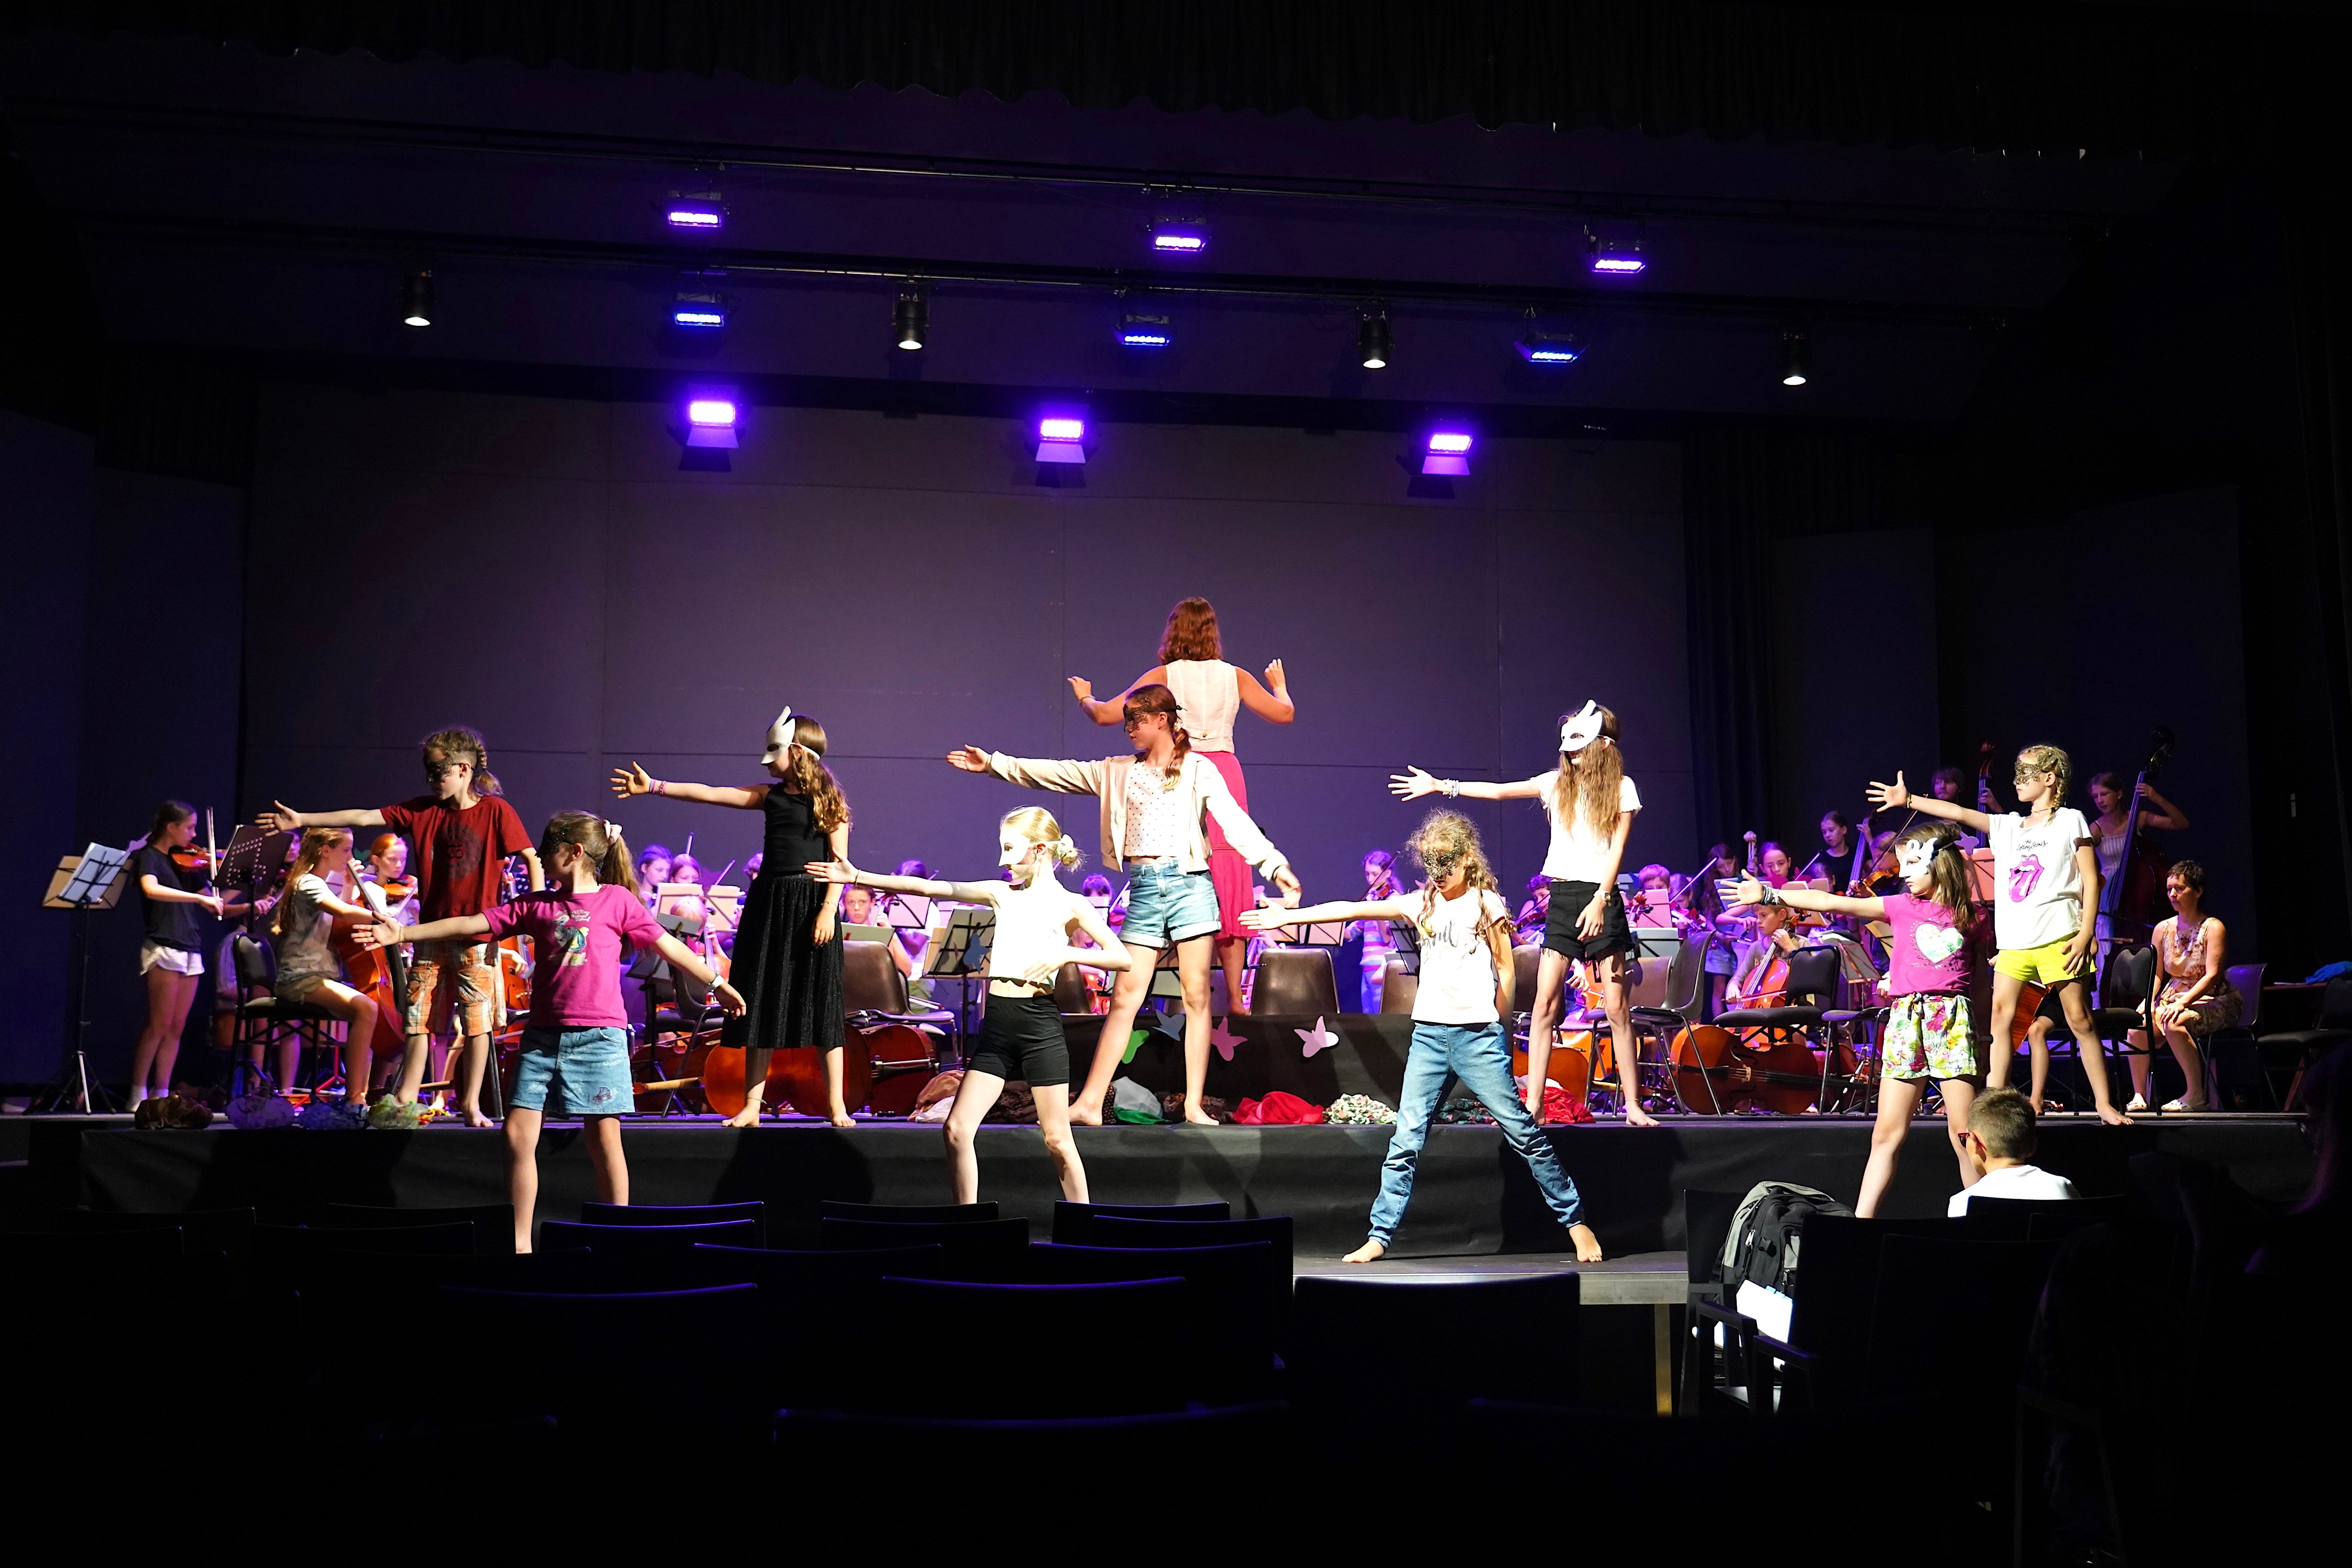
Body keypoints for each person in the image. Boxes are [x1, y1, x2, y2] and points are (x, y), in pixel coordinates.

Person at [359, 813, 742, 1251]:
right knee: (516, 1134)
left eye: (548, 847)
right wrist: (403, 931)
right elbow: (471, 923)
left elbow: (668, 945)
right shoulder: (536, 904)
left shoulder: (617, 900)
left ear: (575, 852)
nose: (539, 855)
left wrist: (717, 982)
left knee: (604, 1138)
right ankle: (520, 1245)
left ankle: (617, 1239)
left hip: (600, 1038)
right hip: (542, 1038)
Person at [1245, 810, 1604, 1263]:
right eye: (1431, 864)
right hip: (1430, 1038)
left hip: (1477, 1037)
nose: (1438, 873)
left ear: (1467, 858)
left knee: (1521, 1131)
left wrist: (1498, 1028)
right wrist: (1292, 915)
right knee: (1406, 1139)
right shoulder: (1422, 903)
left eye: (1446, 863)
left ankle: (1576, 1223)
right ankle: (1379, 1236)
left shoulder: (1486, 903)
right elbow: (1350, 908)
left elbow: (1506, 969)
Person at [949, 682, 1301, 1126]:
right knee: (1124, 997)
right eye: (1128, 719)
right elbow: (1058, 773)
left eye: (1138, 719)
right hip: (1146, 889)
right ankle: (1090, 1102)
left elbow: (1234, 820)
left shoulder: (1198, 769)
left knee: (1196, 996)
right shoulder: (1118, 771)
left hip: (1190, 886)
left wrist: (1274, 865)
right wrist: (994, 764)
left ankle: (1193, 1104)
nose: (1130, 727)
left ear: (1163, 720)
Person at [807, 807, 1131, 1203]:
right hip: (998, 1025)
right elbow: (930, 889)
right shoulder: (1001, 894)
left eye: (1010, 848)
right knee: (957, 1130)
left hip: (1039, 1027)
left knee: (1057, 1139)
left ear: (1039, 849)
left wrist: (1065, 954)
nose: (1002, 859)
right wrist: (858, 876)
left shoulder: (1072, 905)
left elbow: (1121, 958)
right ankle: (970, 1220)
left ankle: (1083, 1224)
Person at [1391, 700, 1657, 1126]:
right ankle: (1533, 1103)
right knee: (1544, 1004)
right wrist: (1441, 785)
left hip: (1601, 898)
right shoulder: (1556, 784)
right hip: (1564, 897)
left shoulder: (1622, 787)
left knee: (1616, 1008)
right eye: (1569, 747)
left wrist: (1601, 899)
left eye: (1581, 746)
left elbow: (1617, 849)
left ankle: (1634, 1106)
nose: (1572, 754)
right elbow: (1499, 791)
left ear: (1603, 746)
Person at [259, 726, 539, 1126]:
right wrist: (303, 819)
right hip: (430, 933)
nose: (432, 780)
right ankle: (406, 1097)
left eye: (440, 772)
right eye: (429, 772)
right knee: (419, 1019)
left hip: (477, 935)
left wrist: (534, 910)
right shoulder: (423, 810)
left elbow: (530, 857)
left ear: (463, 769)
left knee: (477, 1024)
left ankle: (471, 1103)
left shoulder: (495, 811)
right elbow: (363, 816)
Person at [611, 705, 852, 1127]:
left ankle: (837, 1105)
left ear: (797, 752)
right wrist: (654, 787)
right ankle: (752, 1105)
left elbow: (841, 866)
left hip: (812, 906)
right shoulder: (770, 796)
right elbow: (711, 792)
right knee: (760, 1000)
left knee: (823, 1004)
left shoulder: (830, 804)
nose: (766, 761)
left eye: (775, 752)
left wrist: (828, 911)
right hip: (769, 905)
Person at [1732, 822, 1983, 1215]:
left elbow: (1980, 982)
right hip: (1906, 1020)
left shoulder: (1972, 916)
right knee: (1885, 1134)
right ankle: (1860, 1225)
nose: (1903, 873)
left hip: (1950, 1019)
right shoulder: (1900, 906)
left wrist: (1983, 1034)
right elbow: (1831, 902)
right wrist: (1769, 893)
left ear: (1939, 864)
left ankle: (1983, 1219)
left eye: (1913, 863)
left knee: (1964, 1134)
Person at [1871, 747, 2131, 1124]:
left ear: (2049, 779)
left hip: (2060, 935)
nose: (2017, 781)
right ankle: (1993, 1102)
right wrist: (1909, 800)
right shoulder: (2009, 826)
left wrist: (2085, 932)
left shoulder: (2070, 820)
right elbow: (1960, 813)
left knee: (2079, 1020)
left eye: (2026, 773)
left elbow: (2090, 880)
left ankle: (2104, 1104)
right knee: (2000, 1020)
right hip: (2015, 943)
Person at [1068, 597, 1295, 1015]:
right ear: (1213, 632)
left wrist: (1085, 697)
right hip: (1224, 771)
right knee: (1229, 872)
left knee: (1176, 865)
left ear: (1172, 632)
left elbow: (1104, 715)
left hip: (1181, 768)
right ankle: (1235, 998)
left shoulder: (1164, 677)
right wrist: (1279, 685)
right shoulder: (1236, 676)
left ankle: (1164, 991)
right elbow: (1284, 714)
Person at [126, 801, 231, 1110]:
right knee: (158, 1024)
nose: (194, 835)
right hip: (163, 944)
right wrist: (197, 900)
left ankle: (161, 1092)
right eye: (190, 828)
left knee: (177, 1027)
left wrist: (249, 895)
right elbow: (151, 889)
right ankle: (137, 1093)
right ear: (171, 827)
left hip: (190, 947)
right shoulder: (150, 856)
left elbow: (215, 903)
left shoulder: (186, 864)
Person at [268, 827, 385, 1104]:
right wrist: (383, 919)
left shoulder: (317, 883)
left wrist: (348, 885)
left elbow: (338, 922)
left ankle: (362, 1092)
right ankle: (356, 1097)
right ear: (325, 851)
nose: (351, 856)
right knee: (366, 1008)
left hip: (318, 976)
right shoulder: (309, 882)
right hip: (300, 978)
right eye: (346, 850)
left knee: (372, 1008)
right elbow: (342, 912)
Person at [2129, 860, 2236, 1113]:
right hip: (2173, 996)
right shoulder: (2162, 929)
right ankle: (2139, 1095)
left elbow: (2212, 975)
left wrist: (2183, 1002)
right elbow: (2157, 974)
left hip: (2212, 998)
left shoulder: (2213, 927)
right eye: (2169, 889)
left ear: (2198, 891)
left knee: (2174, 1022)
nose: (2173, 895)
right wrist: (2148, 1000)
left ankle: (2196, 1095)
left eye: (2180, 888)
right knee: (2137, 1027)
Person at [2087, 770, 2189, 951]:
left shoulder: (2137, 818)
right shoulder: (2096, 829)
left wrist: (2157, 798)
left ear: (2119, 794)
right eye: (2096, 797)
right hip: (2108, 895)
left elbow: (2181, 824)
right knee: (2107, 942)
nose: (2100, 801)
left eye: (2104, 794)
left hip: (2136, 889)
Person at [1946, 1088, 2078, 1214]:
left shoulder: (1963, 1202)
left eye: (1965, 1138)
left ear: (1976, 1143)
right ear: (2033, 1146)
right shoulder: (2062, 1187)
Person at [1355, 849, 1408, 1010]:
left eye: (1375, 874)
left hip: (1382, 967)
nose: (1370, 880)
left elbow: (1387, 938)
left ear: (1387, 874)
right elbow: (1354, 931)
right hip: (1367, 966)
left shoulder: (1392, 900)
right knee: (1368, 1015)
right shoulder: (1372, 898)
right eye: (1367, 874)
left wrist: (1375, 909)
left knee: (1380, 1014)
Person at [1928, 766, 1982, 849]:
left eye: (1948, 782)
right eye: (1938, 783)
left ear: (1959, 787)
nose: (1942, 786)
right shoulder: (1926, 819)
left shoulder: (1969, 817)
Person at [634, 844, 673, 910]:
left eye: (668, 871)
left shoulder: (667, 898)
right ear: (645, 868)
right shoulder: (631, 895)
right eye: (659, 870)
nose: (665, 876)